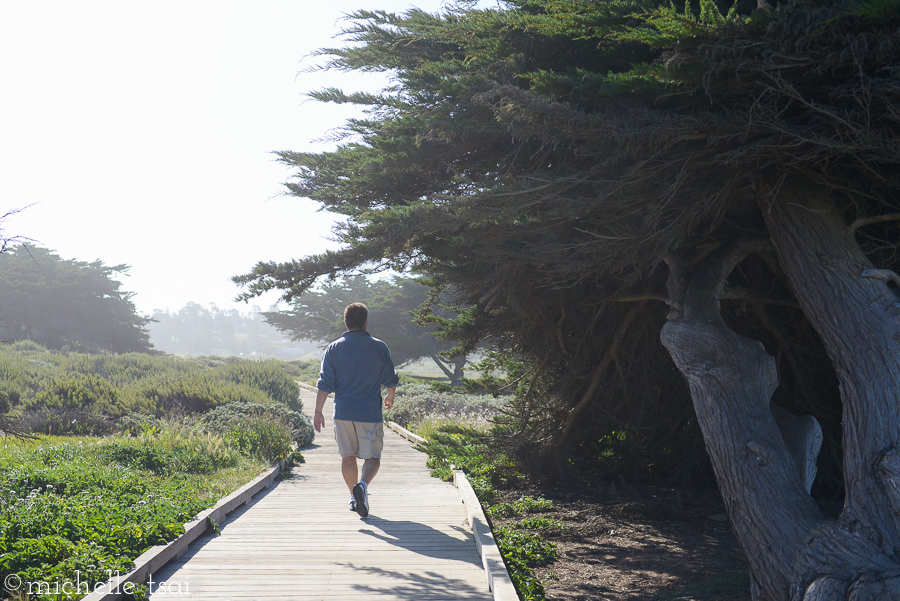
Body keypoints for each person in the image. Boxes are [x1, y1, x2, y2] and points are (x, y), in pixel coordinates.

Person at [314, 302, 400, 517]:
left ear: (346, 322)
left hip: (342, 412)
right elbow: (390, 378)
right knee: (373, 457)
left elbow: (324, 383)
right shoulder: (379, 347)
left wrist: (318, 411)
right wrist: (390, 397)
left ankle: (354, 497)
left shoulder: (333, 348)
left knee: (347, 456)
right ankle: (362, 485)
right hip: (369, 413)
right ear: (365, 322)